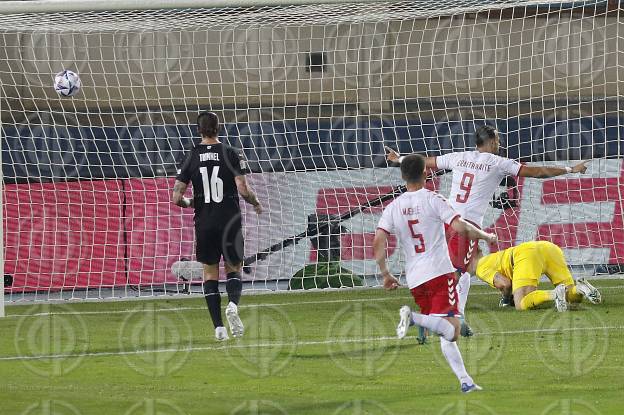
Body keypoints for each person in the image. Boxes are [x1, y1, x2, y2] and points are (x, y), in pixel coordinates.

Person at [386, 125, 589, 334]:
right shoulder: (498, 163)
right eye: (498, 140)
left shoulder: (459, 157)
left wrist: (400, 158)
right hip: (466, 226)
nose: (499, 144)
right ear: (492, 142)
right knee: (458, 273)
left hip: (446, 221)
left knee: (461, 268)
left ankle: (450, 318)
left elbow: (425, 162)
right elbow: (535, 172)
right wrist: (569, 169)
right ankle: (432, 317)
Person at [373, 154, 497, 393]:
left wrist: (385, 273)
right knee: (452, 330)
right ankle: (413, 318)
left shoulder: (393, 207)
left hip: (415, 280)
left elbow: (378, 240)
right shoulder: (433, 199)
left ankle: (466, 381)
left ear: (402, 175)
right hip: (440, 274)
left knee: (443, 329)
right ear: (426, 173)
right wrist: (485, 236)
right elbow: (460, 226)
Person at [172, 111, 262, 341]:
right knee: (234, 268)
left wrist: (190, 202)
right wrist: (255, 202)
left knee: (209, 273)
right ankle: (232, 304)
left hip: (205, 221)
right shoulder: (231, 153)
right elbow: (242, 189)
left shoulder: (191, 155)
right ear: (219, 128)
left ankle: (219, 329)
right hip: (229, 220)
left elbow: (176, 198)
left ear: (198, 130)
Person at [468, 240, 601, 311]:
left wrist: (506, 299)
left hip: (527, 253)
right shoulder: (491, 258)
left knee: (521, 303)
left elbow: (505, 284)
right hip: (549, 248)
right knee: (572, 298)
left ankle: (554, 294)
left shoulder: (480, 267)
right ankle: (580, 288)